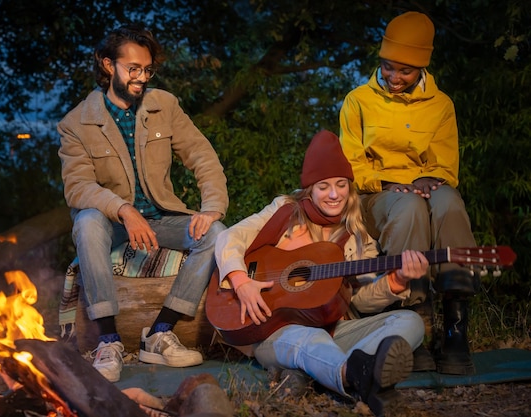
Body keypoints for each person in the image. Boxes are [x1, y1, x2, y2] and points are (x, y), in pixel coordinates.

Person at [214, 130, 428, 417]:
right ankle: (353, 376)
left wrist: (397, 280)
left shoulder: (357, 237)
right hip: (273, 329)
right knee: (309, 340)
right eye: (324, 186)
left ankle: (331, 369)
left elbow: (359, 302)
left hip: (333, 326)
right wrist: (241, 282)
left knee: (411, 321)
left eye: (341, 185)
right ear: (310, 190)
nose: (334, 194)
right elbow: (229, 238)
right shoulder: (284, 211)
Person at [57, 25, 228, 383]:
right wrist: (124, 210)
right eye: (132, 68)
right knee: (86, 221)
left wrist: (211, 206)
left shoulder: (163, 105)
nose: (141, 77)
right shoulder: (76, 123)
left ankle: (160, 332)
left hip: (162, 217)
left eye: (147, 69)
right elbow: (78, 187)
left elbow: (201, 155)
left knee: (216, 233)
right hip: (112, 222)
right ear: (108, 65)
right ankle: (108, 341)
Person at [338, 11, 478, 375]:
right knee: (409, 208)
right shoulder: (358, 100)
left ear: (422, 69)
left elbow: (447, 164)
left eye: (405, 71)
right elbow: (350, 162)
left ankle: (455, 325)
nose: (394, 77)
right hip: (377, 194)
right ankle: (412, 321)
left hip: (426, 187)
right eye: (387, 67)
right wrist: (383, 183)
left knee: (449, 203)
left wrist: (429, 178)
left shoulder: (441, 105)